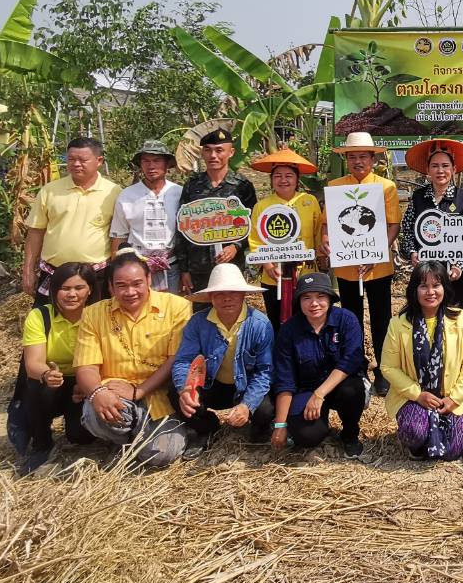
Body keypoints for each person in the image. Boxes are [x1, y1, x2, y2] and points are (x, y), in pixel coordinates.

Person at [72, 250, 193, 469]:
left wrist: (140, 391)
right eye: (121, 285)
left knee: (162, 455)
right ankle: (123, 439)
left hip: (159, 397)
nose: (130, 292)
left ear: (149, 280)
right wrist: (98, 393)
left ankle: (140, 434)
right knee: (95, 413)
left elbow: (176, 358)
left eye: (137, 284)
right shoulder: (93, 314)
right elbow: (86, 365)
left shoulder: (177, 307)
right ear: (110, 286)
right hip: (115, 394)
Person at [380, 260, 463, 461]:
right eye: (423, 286)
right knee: (414, 435)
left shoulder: (461, 319)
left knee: (452, 451)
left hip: (452, 395)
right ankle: (421, 437)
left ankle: (462, 419)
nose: (430, 292)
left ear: (445, 287)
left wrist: (455, 398)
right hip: (414, 397)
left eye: (436, 285)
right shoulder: (398, 324)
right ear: (414, 290)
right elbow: (388, 367)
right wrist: (417, 395)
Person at [172, 263, 274, 453]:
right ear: (210, 297)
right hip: (212, 385)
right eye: (219, 293)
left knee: (265, 409)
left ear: (243, 294)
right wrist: (184, 389)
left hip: (245, 385)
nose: (227, 298)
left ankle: (260, 427)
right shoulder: (197, 323)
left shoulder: (260, 324)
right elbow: (184, 360)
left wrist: (247, 405)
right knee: (175, 393)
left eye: (233, 292)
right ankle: (206, 426)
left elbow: (264, 372)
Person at [329, 132, 402, 396]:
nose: (358, 161)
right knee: (351, 318)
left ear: (373, 158)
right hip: (347, 267)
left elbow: (394, 224)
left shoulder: (386, 187)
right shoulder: (336, 186)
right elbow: (329, 224)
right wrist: (327, 241)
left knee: (382, 318)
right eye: (352, 157)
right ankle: (356, 367)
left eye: (363, 156)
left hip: (379, 266)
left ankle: (382, 369)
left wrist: (376, 252)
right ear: (346, 160)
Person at [9, 261, 97, 474]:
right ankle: (42, 443)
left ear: (90, 290)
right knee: (40, 387)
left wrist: (86, 382)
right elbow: (33, 365)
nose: (72, 295)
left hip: (82, 382)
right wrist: (47, 374)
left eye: (79, 288)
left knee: (80, 437)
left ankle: (77, 425)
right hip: (51, 382)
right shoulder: (40, 316)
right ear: (54, 290)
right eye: (64, 288)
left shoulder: (98, 316)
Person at [268, 272, 367, 458]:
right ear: (299, 302)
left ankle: (350, 433)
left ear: (330, 299)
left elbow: (351, 360)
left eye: (320, 296)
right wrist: (280, 425)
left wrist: (319, 394)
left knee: (353, 390)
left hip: (339, 385)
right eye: (307, 298)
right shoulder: (289, 330)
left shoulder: (346, 319)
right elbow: (285, 378)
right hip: (306, 388)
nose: (314, 304)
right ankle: (321, 426)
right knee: (306, 436)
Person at [22, 137, 120, 303]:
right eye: (71, 159)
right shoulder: (50, 191)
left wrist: (116, 274)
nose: (76, 164)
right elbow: (36, 232)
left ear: (99, 161)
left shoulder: (114, 193)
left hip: (97, 275)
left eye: (82, 160)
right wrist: (28, 270)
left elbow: (118, 236)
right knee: (49, 323)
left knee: (96, 325)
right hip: (54, 273)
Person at [174, 127, 259, 298]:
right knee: (200, 313)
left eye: (219, 150)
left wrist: (236, 246)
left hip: (231, 267)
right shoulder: (192, 185)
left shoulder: (242, 186)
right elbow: (182, 228)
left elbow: (253, 224)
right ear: (202, 153)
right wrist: (184, 270)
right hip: (198, 268)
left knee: (232, 310)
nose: (213, 156)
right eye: (208, 150)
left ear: (231, 152)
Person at [247, 147, 325, 329]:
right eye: (278, 176)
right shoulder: (262, 206)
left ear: (297, 178)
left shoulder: (309, 201)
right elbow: (256, 240)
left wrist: (322, 258)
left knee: (307, 322)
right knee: (277, 322)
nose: (283, 180)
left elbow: (318, 232)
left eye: (289, 175)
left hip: (305, 273)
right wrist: (268, 266)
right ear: (271, 180)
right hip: (273, 274)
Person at [398, 138, 463, 307]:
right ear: (428, 170)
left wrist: (459, 265)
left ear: (454, 169)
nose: (440, 170)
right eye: (435, 166)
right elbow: (407, 228)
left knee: (454, 319)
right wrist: (412, 252)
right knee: (426, 318)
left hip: (453, 274)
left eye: (445, 166)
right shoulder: (418, 198)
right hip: (425, 274)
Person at [109, 140, 183, 291]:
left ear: (167, 164)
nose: (151, 166)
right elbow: (119, 236)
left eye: (156, 161)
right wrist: (115, 273)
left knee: (172, 310)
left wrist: (186, 271)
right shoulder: (127, 195)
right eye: (146, 161)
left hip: (172, 266)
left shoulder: (179, 193)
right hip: (137, 268)